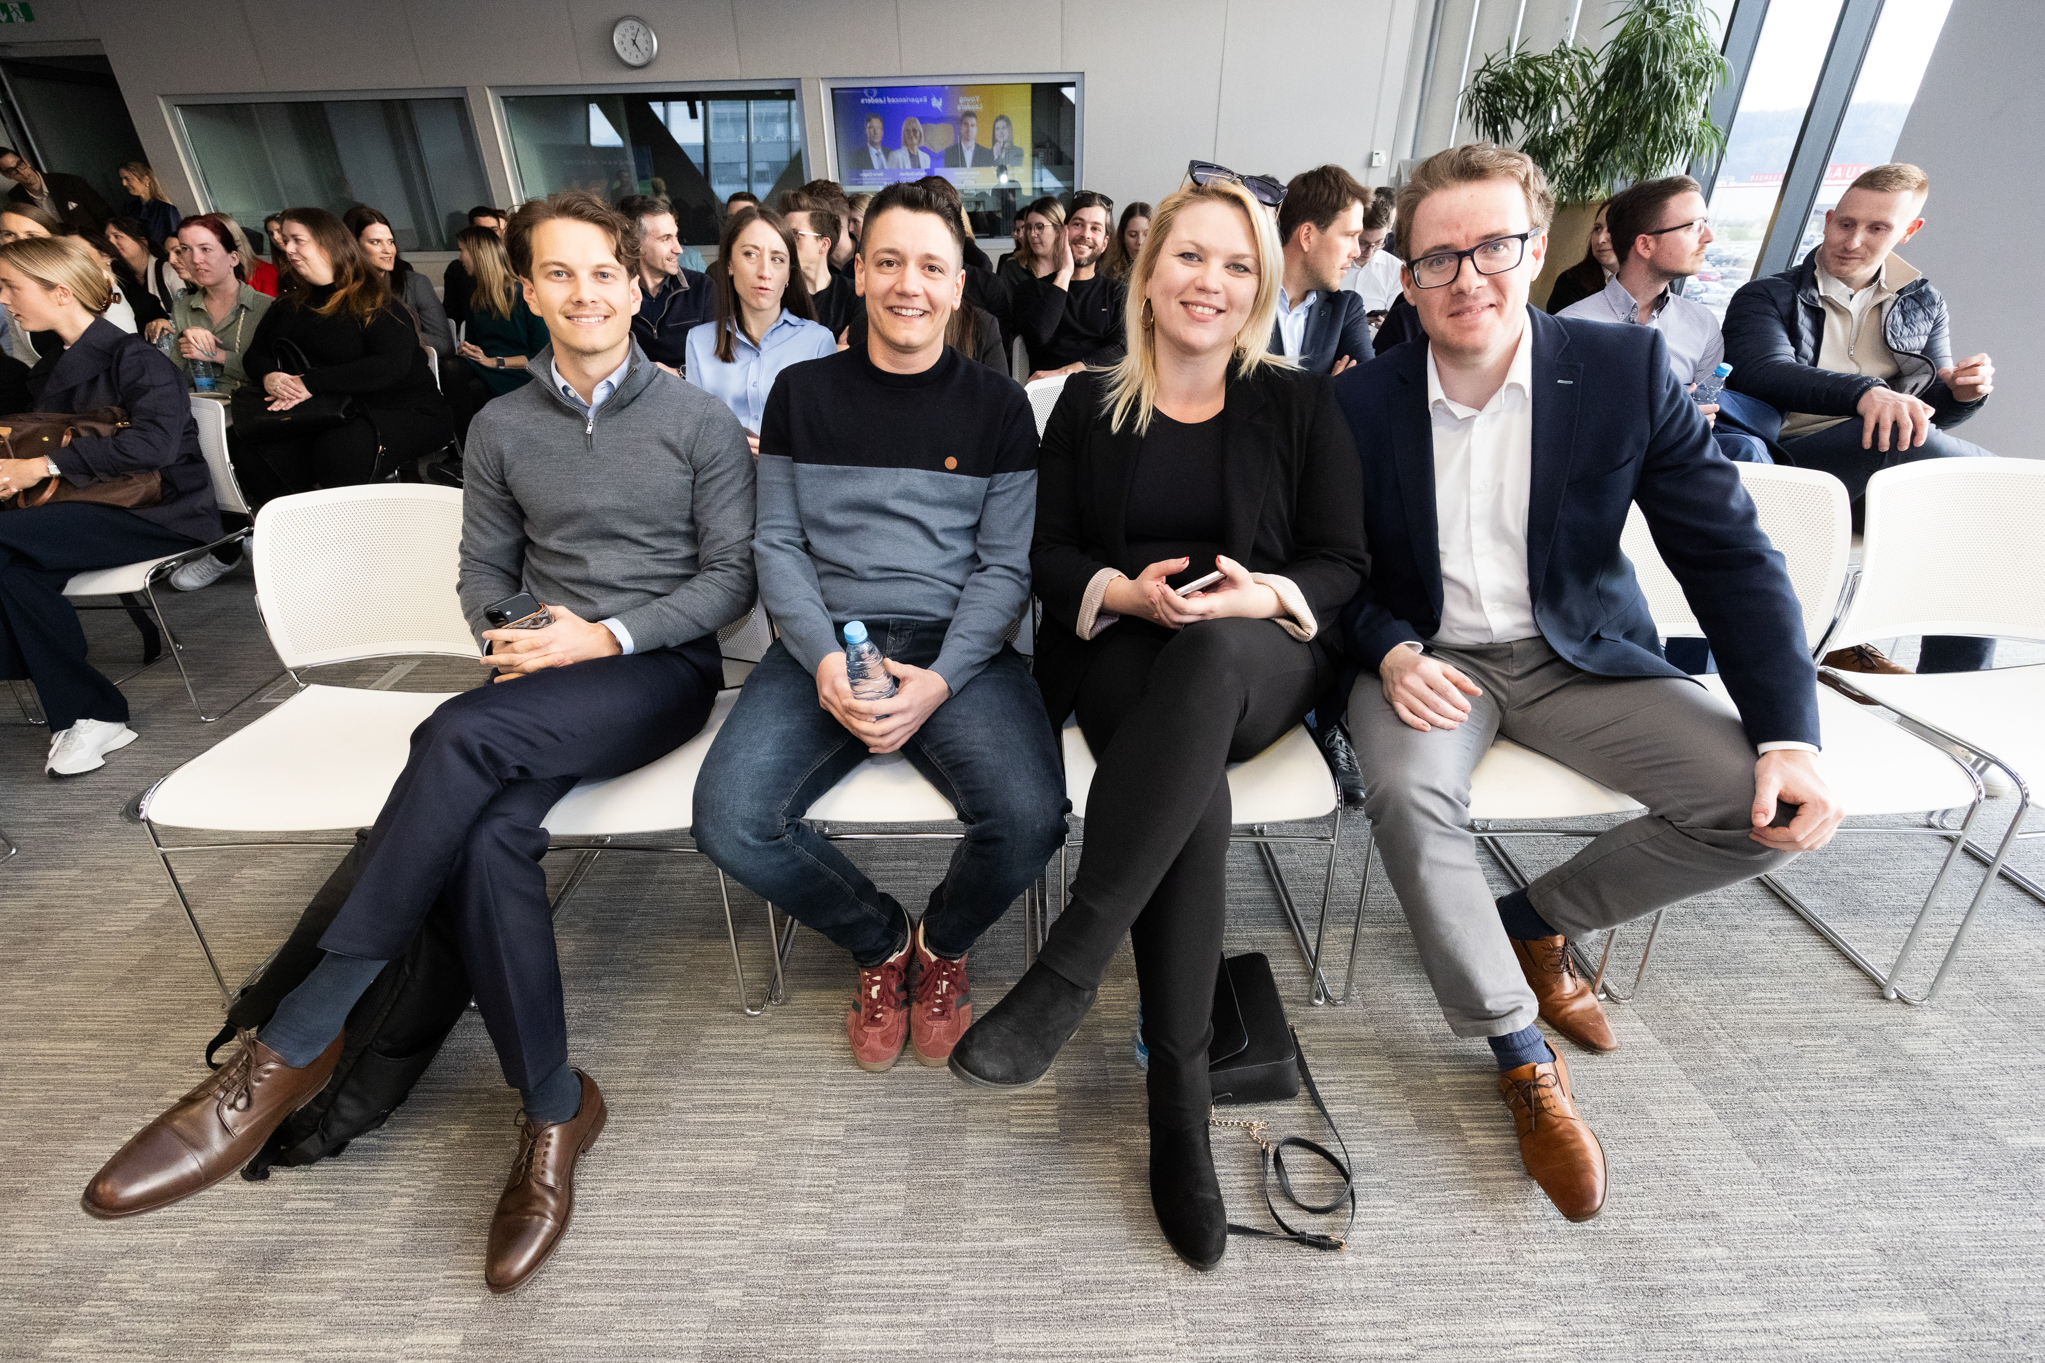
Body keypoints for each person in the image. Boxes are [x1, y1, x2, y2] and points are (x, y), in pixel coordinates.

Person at [82, 191, 758, 1297]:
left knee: (449, 731)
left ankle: (297, 1037)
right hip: (533, 678)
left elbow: (729, 582)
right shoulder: (501, 426)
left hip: (655, 671)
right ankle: (554, 1109)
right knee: (488, 838)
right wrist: (511, 633)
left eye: (604, 272)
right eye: (559, 274)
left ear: (635, 285)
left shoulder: (696, 423)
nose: (585, 293)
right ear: (527, 289)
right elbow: (482, 571)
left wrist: (601, 635)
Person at [1329, 143, 1844, 1224]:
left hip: (1578, 653)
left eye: (1493, 247)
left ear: (1537, 248)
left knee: (1758, 811)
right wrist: (1387, 648)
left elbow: (1727, 556)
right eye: (1436, 259)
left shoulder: (1621, 372)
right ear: (1405, 277)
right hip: (1427, 660)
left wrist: (1789, 735)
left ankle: (1530, 916)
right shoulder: (1356, 402)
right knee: (1408, 797)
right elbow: (1329, 570)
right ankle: (1519, 1053)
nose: (1467, 277)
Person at [947, 177, 1368, 1270]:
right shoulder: (1089, 403)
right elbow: (1047, 553)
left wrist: (1260, 594)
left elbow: (1341, 561)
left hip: (1255, 652)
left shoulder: (1297, 402)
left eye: (1236, 265)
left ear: (1259, 286)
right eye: (1189, 256)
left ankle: (1069, 966)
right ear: (1147, 271)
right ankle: (1177, 1111)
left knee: (1212, 657)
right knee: (1191, 793)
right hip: (1125, 647)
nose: (1209, 282)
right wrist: (1123, 593)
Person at [693, 179, 1065, 1081]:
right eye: (889, 262)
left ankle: (942, 945)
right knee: (728, 819)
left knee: (1030, 820)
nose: (909, 284)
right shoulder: (800, 393)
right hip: (822, 639)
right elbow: (777, 544)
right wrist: (823, 660)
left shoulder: (998, 407)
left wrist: (940, 678)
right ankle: (879, 939)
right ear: (856, 273)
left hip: (957, 647)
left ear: (958, 286)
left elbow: (1004, 568)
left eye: (932, 267)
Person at [1722, 162, 1997, 678]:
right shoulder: (1766, 296)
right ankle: (1997, 485)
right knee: (1933, 463)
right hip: (1791, 462)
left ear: (1909, 231)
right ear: (1828, 220)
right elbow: (1763, 371)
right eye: (1845, 223)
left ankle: (1951, 687)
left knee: (1968, 536)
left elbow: (1928, 412)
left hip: (1879, 470)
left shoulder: (1922, 300)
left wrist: (1962, 393)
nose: (1852, 241)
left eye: (1877, 228)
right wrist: (1866, 393)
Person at [0, 235, 220, 775]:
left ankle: (90, 712)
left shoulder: (135, 358)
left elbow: (155, 447)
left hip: (159, 511)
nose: (4, 299)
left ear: (60, 292)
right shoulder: (48, 367)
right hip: (86, 504)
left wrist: (41, 466)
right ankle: (91, 714)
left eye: (11, 286)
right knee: (14, 572)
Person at [1557, 175, 1772, 465]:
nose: (1708, 236)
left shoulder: (1702, 323)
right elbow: (1566, 426)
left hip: (1683, 464)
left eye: (1705, 223)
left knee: (1747, 449)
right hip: (1605, 467)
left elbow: (1705, 408)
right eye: (1693, 226)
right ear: (1645, 245)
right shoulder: (1571, 327)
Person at [238, 207, 453, 496]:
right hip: (325, 409)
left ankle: (344, 519)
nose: (287, 248)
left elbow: (389, 365)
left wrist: (310, 383)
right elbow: (255, 355)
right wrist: (269, 376)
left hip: (400, 408)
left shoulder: (374, 302)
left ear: (327, 244)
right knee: (254, 450)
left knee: (338, 451)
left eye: (297, 240)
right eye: (286, 240)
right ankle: (302, 519)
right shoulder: (288, 304)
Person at [163, 214, 275, 591]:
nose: (195, 259)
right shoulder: (184, 306)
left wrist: (217, 356)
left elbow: (274, 373)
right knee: (166, 439)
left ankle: (232, 546)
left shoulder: (265, 307)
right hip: (201, 406)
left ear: (232, 256)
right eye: (185, 250)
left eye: (206, 249)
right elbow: (174, 373)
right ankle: (232, 541)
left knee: (216, 444)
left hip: (249, 407)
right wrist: (182, 348)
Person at [683, 204, 833, 450]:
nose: (765, 272)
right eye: (750, 254)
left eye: (777, 259)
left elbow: (825, 435)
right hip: (721, 471)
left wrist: (776, 455)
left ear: (788, 274)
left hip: (790, 472)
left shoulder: (817, 341)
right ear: (729, 263)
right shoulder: (699, 341)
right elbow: (694, 434)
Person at [447, 225, 548, 444]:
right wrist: (468, 349)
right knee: (451, 367)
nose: (460, 258)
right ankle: (467, 450)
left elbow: (542, 356)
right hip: (485, 366)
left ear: (478, 254)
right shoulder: (476, 297)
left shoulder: (524, 295)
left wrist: (494, 362)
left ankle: (470, 449)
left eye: (462, 250)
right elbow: (473, 343)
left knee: (470, 386)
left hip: (517, 370)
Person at [1273, 164, 1373, 375]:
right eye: (1349, 235)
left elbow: (1368, 387)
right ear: (1307, 236)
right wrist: (1328, 386)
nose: (1356, 251)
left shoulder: (1346, 310)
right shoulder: (1244, 299)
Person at [1015, 190, 1124, 379]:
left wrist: (1067, 372)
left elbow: (1120, 349)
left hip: (1098, 390)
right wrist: (1065, 272)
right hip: (1048, 395)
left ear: (1105, 243)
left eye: (1095, 228)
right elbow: (1038, 335)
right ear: (1064, 232)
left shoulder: (1117, 294)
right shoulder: (1030, 290)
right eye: (1078, 224)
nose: (1085, 234)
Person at [344, 205, 456, 362]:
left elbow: (445, 344)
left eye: (390, 242)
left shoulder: (415, 283)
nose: (388, 250)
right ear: (353, 246)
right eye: (375, 242)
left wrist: (402, 335)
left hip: (408, 366)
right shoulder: (341, 290)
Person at [620, 193, 712, 374]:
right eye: (666, 238)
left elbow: (720, 362)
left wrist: (679, 374)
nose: (678, 249)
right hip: (632, 387)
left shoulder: (702, 288)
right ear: (635, 243)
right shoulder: (615, 293)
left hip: (689, 387)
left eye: (676, 236)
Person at [781, 192, 857, 338]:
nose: (785, 243)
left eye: (795, 235)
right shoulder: (778, 295)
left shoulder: (854, 294)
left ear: (823, 245)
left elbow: (859, 349)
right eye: (784, 236)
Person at [0, 147, 108, 234]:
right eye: (12, 170)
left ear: (26, 161)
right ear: (6, 175)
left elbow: (103, 214)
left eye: (20, 164)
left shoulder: (68, 182)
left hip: (92, 242)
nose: (21, 172)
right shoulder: (16, 198)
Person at [1543, 199, 1614, 314]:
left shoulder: (1643, 284)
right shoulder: (1569, 283)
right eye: (1597, 228)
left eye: (1611, 229)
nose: (1600, 239)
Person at [443, 203, 508, 327]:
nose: (489, 236)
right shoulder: (457, 270)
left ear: (500, 232)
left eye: (493, 230)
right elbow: (452, 314)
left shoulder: (515, 269)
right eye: (482, 231)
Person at [1340, 186, 1402, 315]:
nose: (1369, 253)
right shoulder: (1333, 263)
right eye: (1363, 243)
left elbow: (1397, 315)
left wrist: (1385, 322)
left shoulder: (1396, 269)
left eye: (1378, 243)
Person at [105, 215, 181, 314]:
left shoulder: (169, 270)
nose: (110, 242)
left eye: (117, 236)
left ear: (142, 241)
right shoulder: (122, 281)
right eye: (107, 238)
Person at [114, 162, 182, 247]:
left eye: (127, 178)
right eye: (122, 179)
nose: (123, 183)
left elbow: (175, 243)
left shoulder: (166, 210)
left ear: (145, 180)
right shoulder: (130, 208)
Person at [1103, 201, 1151, 282]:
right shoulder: (1109, 277)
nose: (1139, 241)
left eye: (1146, 234)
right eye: (1132, 235)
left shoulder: (1165, 271)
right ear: (1123, 237)